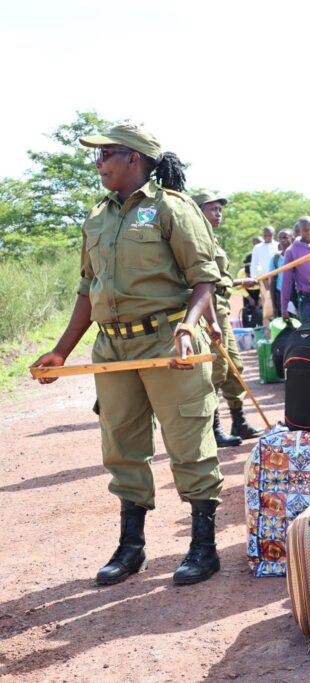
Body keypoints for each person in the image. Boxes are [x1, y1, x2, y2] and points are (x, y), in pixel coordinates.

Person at [31, 124, 224, 586]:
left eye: (105, 156)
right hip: (112, 347)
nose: (99, 165)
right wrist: (61, 351)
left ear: (134, 158)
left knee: (188, 440)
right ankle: (131, 548)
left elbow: (204, 277)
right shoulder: (96, 218)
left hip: (166, 340)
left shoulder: (171, 209)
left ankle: (203, 546)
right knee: (121, 445)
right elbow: (86, 289)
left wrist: (189, 326)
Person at [192, 192, 263, 446]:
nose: (218, 213)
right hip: (209, 307)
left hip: (222, 304)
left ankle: (239, 421)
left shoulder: (212, 238)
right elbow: (200, 281)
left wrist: (240, 281)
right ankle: (213, 428)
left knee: (234, 365)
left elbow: (217, 277)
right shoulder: (193, 239)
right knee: (217, 368)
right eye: (212, 209)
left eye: (220, 209)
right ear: (198, 211)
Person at [280, 217, 310, 322]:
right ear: (299, 231)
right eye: (306, 230)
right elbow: (286, 281)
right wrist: (284, 307)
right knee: (308, 332)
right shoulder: (292, 251)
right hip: (307, 298)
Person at [250, 226, 277, 328]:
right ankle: (267, 329)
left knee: (276, 303)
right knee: (266, 304)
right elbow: (254, 264)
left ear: (273, 234)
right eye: (265, 235)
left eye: (269, 235)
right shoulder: (257, 247)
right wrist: (254, 278)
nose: (267, 237)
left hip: (277, 279)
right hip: (264, 280)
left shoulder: (277, 245)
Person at [269, 228, 292, 319]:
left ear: (292, 238)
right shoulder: (276, 258)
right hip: (280, 295)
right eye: (280, 238)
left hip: (294, 294)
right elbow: (272, 281)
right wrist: (274, 306)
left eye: (285, 237)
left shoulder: (297, 255)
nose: (283, 240)